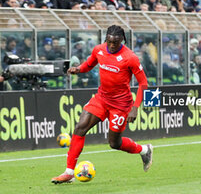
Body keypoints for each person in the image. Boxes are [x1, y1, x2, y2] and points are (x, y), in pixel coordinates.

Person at [51, 25, 153, 184]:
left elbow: (143, 84)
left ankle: (144, 150)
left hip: (121, 104)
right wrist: (78, 69)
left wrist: (135, 108)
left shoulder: (130, 57)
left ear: (122, 40)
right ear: (106, 38)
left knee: (114, 143)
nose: (112, 45)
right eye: (109, 41)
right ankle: (69, 172)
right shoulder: (99, 49)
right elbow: (89, 64)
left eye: (116, 42)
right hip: (102, 98)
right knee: (80, 126)